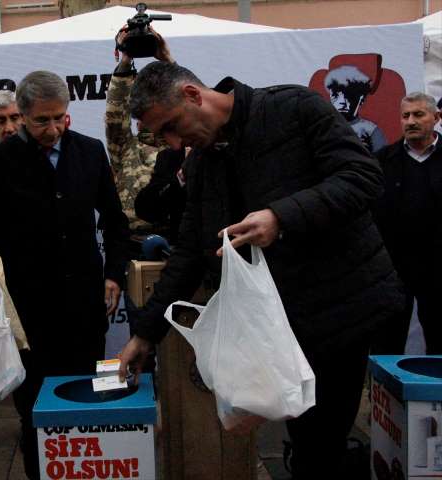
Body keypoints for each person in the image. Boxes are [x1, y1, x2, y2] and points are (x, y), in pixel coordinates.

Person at [117, 62, 404, 480]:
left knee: (320, 443)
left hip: (340, 312)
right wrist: (145, 333)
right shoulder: (201, 163)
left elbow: (362, 177)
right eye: (163, 136)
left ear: (195, 95)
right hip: (279, 327)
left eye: (173, 126)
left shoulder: (294, 109)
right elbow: (192, 252)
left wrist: (281, 217)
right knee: (306, 440)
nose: (175, 143)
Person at [0, 70, 129, 479]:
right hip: (27, 311)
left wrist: (113, 274)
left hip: (84, 307)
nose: (53, 128)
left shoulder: (90, 153)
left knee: (85, 396)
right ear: (21, 114)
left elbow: (114, 219)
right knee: (35, 409)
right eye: (42, 120)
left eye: (60, 118)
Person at [373, 92, 442, 354]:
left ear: (436, 118)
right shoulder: (382, 161)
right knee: (386, 343)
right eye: (405, 116)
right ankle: (384, 393)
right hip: (393, 269)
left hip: (438, 269)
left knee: (439, 339)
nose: (411, 121)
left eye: (418, 114)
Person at [105, 28, 185, 242]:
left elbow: (187, 102)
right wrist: (125, 62)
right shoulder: (124, 147)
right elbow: (115, 114)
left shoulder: (182, 146)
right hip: (132, 242)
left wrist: (167, 61)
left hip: (177, 239)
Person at [325, 65, 387, 152]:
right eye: (335, 95)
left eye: (349, 95)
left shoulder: (370, 131)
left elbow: (384, 161)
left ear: (361, 99)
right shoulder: (323, 127)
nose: (342, 101)